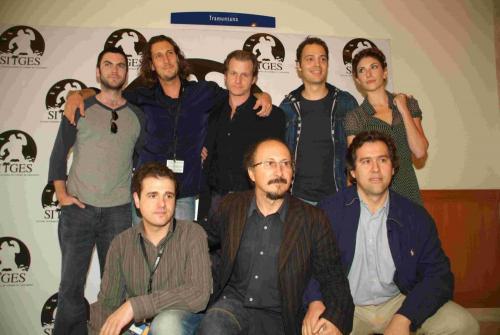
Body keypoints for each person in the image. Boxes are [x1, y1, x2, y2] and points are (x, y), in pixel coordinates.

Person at [64, 35, 272, 221]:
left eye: (170, 53)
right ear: (152, 65)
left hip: (184, 192)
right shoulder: (140, 95)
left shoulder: (204, 92)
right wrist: (78, 95)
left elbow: (238, 95)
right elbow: (108, 96)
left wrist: (262, 95)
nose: (166, 60)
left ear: (178, 58)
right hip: (148, 191)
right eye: (159, 56)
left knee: (178, 257)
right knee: (143, 257)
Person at [303, 131, 479, 335]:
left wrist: (405, 317)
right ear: (352, 171)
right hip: (346, 304)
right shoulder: (328, 212)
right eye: (366, 161)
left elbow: (438, 275)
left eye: (382, 160)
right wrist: (316, 301)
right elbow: (308, 265)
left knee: (463, 325)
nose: (376, 169)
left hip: (398, 301)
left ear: (393, 167)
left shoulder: (414, 216)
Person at [198, 138, 354, 335]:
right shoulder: (231, 206)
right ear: (251, 173)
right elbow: (200, 239)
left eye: (285, 164)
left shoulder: (313, 219)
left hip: (284, 316)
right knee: (214, 326)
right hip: (232, 308)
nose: (279, 172)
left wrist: (334, 321)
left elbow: (334, 280)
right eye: (270, 163)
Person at [48, 47, 145, 334]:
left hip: (117, 213)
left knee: (115, 290)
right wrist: (63, 195)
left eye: (120, 66)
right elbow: (57, 155)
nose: (114, 70)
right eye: (108, 64)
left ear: (126, 73)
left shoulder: (137, 116)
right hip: (78, 211)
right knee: (70, 288)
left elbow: (141, 163)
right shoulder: (80, 107)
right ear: (97, 72)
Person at [89, 162, 211, 335]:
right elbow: (108, 303)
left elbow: (199, 294)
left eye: (168, 196)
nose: (162, 204)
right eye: (153, 195)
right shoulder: (121, 243)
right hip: (137, 327)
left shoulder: (192, 234)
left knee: (165, 323)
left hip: (182, 324)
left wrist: (135, 306)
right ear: (137, 200)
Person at [201, 50, 285, 219]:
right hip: (215, 201)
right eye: (233, 73)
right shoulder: (211, 111)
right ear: (225, 76)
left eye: (244, 75)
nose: (238, 81)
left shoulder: (271, 115)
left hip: (253, 202)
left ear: (253, 79)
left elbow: (277, 163)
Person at [279, 36, 359, 206]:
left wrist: (351, 188)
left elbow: (359, 151)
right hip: (297, 200)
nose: (317, 64)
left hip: (339, 198)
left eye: (322, 59)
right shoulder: (287, 106)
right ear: (299, 66)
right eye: (310, 59)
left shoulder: (346, 102)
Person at [345, 47, 429, 205]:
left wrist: (403, 109)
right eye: (362, 70)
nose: (368, 74)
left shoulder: (409, 104)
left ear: (384, 72)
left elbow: (419, 151)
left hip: (408, 191)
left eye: (374, 67)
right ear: (357, 80)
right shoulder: (355, 117)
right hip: (373, 195)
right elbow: (354, 166)